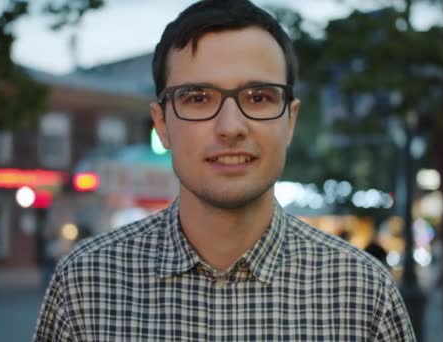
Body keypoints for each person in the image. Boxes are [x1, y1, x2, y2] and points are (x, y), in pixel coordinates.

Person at [33, 1, 415, 340]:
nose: (231, 126)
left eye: (259, 97)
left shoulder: (363, 292)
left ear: (290, 121)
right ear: (162, 124)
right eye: (198, 98)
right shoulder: (86, 285)